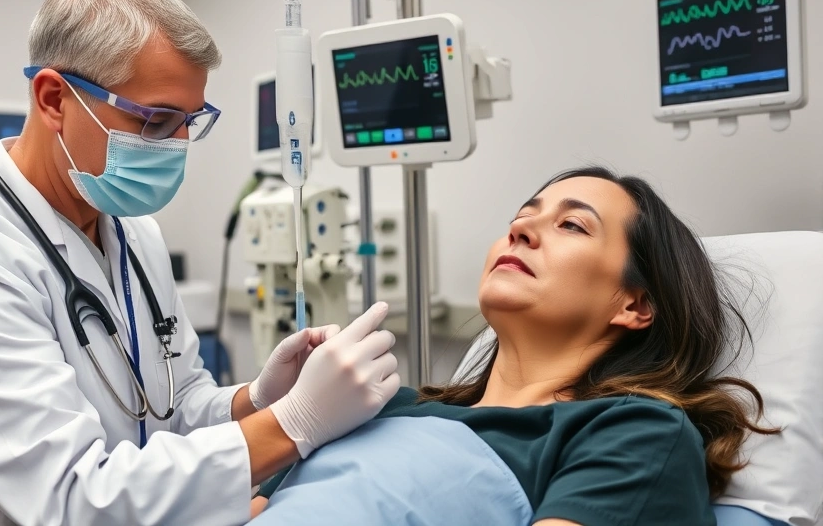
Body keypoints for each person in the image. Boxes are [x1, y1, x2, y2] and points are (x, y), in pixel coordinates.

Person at [0, 0, 399, 526]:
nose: (177, 146)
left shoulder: (131, 229)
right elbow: (74, 498)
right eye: (155, 120)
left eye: (189, 123)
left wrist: (257, 399)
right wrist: (296, 422)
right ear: (54, 98)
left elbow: (174, 409)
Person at [251, 167, 776, 526]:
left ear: (634, 305)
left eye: (571, 224)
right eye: (521, 217)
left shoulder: (633, 432)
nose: (522, 229)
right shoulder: (380, 403)